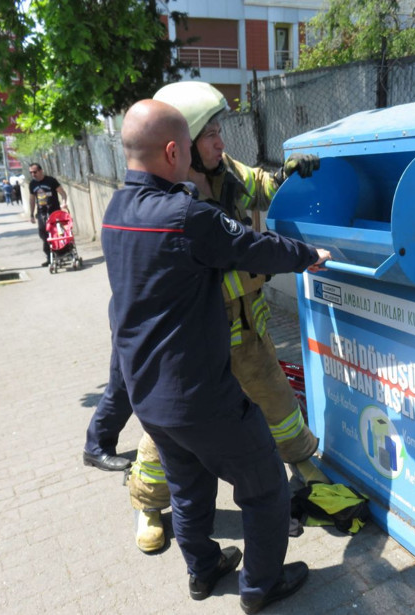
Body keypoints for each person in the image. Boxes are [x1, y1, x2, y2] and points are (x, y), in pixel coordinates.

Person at [103, 99, 330, 613]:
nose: (212, 146)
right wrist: (308, 255)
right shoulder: (184, 215)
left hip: (152, 392)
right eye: (194, 142)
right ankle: (260, 587)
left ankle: (203, 571)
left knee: (189, 488)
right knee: (264, 483)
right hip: (201, 392)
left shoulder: (116, 211)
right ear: (172, 150)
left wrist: (289, 177)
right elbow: (252, 246)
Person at [28, 163, 69, 266]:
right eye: (31, 172)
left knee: (58, 233)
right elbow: (32, 199)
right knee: (44, 234)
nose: (33, 174)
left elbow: (63, 193)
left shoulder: (51, 181)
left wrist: (64, 202)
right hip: (42, 213)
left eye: (35, 172)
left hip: (54, 212)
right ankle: (50, 256)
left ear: (41, 171)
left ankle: (62, 253)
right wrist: (31, 214)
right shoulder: (32, 184)